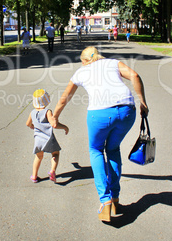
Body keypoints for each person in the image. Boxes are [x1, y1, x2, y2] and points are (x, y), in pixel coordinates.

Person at [53, 46, 148, 222]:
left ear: (84, 61)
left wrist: (55, 118)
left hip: (99, 114)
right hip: (127, 110)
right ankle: (115, 198)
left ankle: (105, 201)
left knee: (96, 150)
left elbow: (65, 96)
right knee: (113, 149)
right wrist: (142, 102)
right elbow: (134, 76)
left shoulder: (81, 72)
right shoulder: (112, 63)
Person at [26, 89, 69, 184]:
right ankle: (52, 171)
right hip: (48, 138)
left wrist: (33, 126)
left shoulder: (32, 112)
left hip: (38, 140)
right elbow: (54, 124)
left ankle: (34, 176)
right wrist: (64, 127)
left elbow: (28, 124)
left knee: (38, 157)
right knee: (55, 154)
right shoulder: (47, 112)